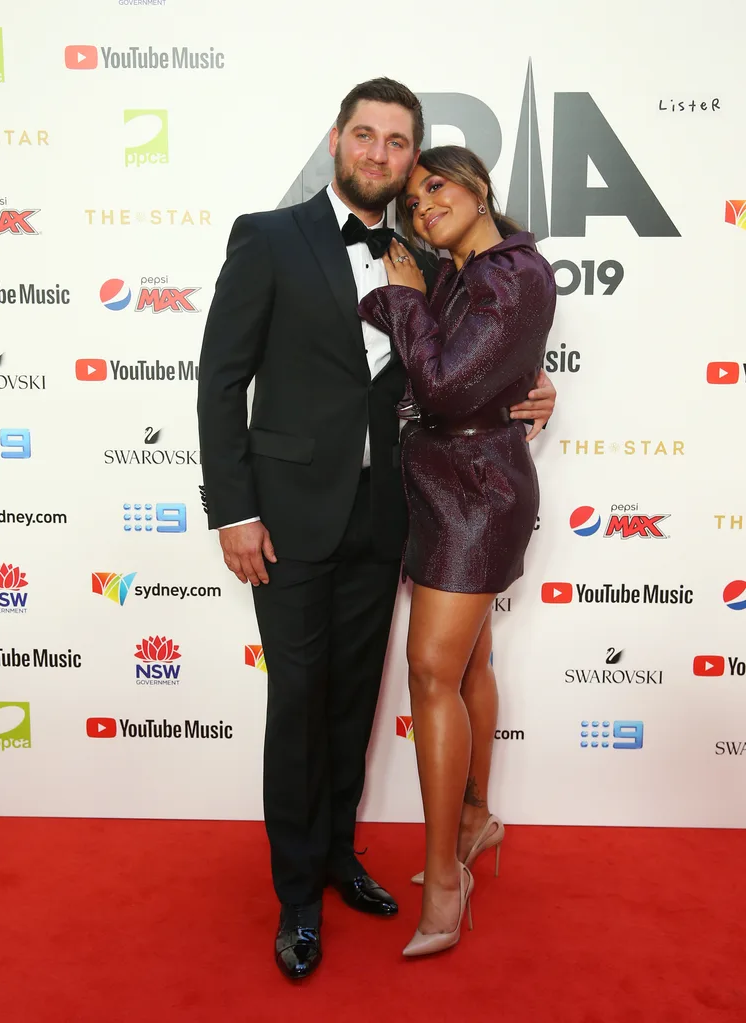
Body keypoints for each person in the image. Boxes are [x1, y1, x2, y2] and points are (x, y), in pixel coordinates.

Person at [197, 80, 557, 980]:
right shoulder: (268, 237)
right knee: (298, 701)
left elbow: (474, 363)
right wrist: (234, 509)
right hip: (283, 516)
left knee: (356, 698)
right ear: (336, 141)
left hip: (394, 511)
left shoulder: (428, 258)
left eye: (399, 143)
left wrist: (535, 390)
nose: (381, 155)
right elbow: (219, 381)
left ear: (415, 162)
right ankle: (295, 894)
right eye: (367, 136)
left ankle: (339, 856)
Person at [358, 145, 557, 958]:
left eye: (435, 186)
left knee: (433, 673)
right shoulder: (461, 272)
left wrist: (398, 297)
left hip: (477, 491)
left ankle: (446, 876)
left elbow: (440, 385)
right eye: (412, 200)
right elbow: (459, 363)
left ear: (477, 186)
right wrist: (392, 297)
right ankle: (476, 819)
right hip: (446, 482)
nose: (424, 205)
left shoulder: (512, 272)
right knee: (468, 664)